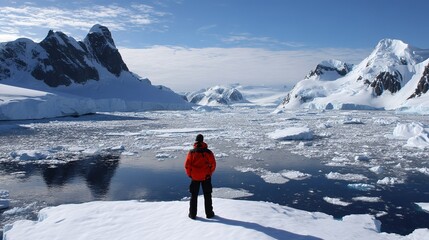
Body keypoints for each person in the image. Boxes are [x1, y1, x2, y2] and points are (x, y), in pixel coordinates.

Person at [184, 134, 216, 219]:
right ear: (203, 141)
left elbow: (187, 165)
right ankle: (209, 214)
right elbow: (213, 164)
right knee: (207, 195)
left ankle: (192, 214)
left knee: (194, 195)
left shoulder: (191, 152)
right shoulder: (208, 152)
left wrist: (190, 174)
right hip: (206, 177)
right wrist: (209, 173)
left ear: (196, 141)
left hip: (194, 177)